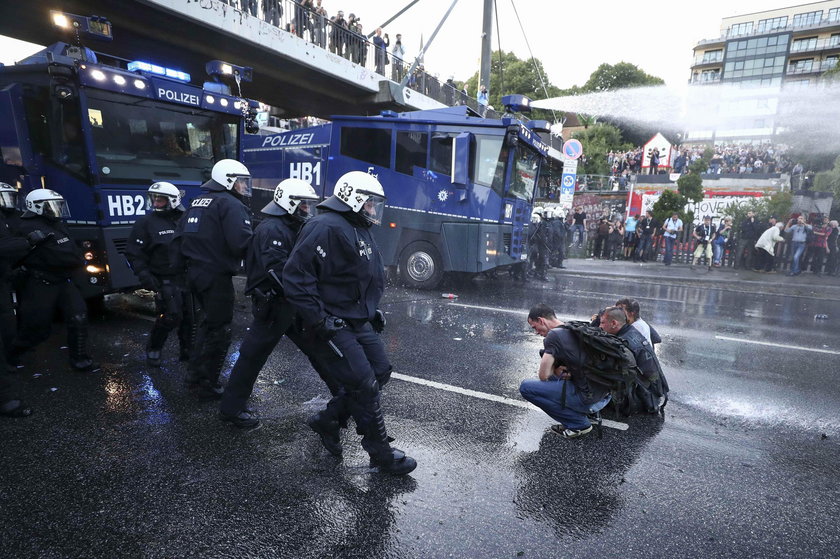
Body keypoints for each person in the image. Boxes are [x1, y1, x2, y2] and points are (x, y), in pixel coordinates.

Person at [283, 171, 416, 475]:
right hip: (333, 323)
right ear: (353, 199)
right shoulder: (324, 226)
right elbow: (295, 278)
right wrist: (319, 319)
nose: (373, 209)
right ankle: (380, 453)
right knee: (363, 384)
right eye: (369, 202)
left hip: (358, 319)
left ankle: (328, 419)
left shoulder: (358, 226)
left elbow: (359, 275)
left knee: (380, 371)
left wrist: (372, 309)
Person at [218, 179, 331, 430]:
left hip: (291, 305)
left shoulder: (289, 226)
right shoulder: (273, 230)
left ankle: (345, 400)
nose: (306, 209)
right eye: (302, 204)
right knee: (252, 357)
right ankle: (231, 410)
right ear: (289, 203)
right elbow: (278, 274)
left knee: (319, 350)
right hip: (274, 306)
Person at [174, 159, 253, 400]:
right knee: (218, 331)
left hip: (195, 273)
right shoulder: (230, 204)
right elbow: (241, 242)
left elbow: (178, 238)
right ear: (228, 180)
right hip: (216, 275)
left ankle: (194, 378)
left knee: (206, 327)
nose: (243, 187)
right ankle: (205, 384)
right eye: (240, 182)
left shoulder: (197, 202)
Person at [9, 190, 98, 372]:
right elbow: (15, 255)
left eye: (58, 205)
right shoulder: (24, 227)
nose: (56, 210)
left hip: (64, 280)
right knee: (36, 328)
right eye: (52, 205)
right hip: (40, 282)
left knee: (78, 317)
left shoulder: (58, 225)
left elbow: (70, 249)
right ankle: (12, 357)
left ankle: (80, 360)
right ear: (37, 206)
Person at [519, 304, 611, 439]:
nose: (536, 332)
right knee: (555, 379)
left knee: (526, 387)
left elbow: (543, 375)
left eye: (535, 327)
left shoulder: (553, 336)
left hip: (588, 399)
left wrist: (555, 370)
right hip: (604, 395)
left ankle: (578, 424)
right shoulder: (574, 327)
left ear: (541, 320)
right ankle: (588, 413)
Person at [126, 182, 191, 367]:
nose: (155, 202)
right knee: (171, 316)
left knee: (190, 317)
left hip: (187, 277)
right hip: (165, 279)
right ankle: (154, 347)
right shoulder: (145, 223)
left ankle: (187, 351)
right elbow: (134, 253)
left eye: (160, 199)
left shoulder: (184, 219)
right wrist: (145, 276)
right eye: (153, 198)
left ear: (172, 200)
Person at [0, 184, 36, 417]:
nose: (9, 201)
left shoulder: (7, 218)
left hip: (3, 282)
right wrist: (27, 242)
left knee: (7, 332)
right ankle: (6, 398)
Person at [598, 306, 667, 414]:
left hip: (642, 398)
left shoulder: (622, 344)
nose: (600, 326)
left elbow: (621, 375)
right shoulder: (630, 331)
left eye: (602, 323)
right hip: (654, 391)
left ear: (614, 323)